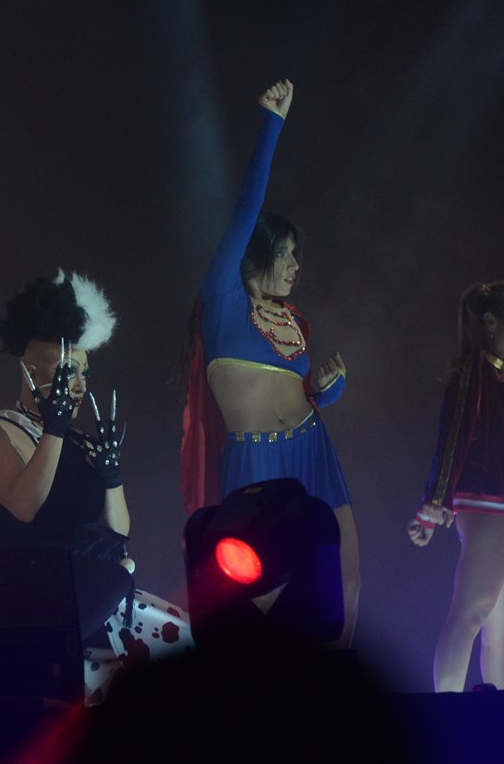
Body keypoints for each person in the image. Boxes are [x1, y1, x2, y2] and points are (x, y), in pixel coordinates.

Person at [179, 79, 360, 645]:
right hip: (255, 462)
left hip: (313, 448)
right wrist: (272, 124)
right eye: (285, 253)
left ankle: (333, 688)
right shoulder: (223, 301)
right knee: (255, 599)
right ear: (255, 251)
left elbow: (303, 397)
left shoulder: (292, 321)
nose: (295, 265)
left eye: (297, 256)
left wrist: (327, 392)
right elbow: (246, 207)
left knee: (343, 581)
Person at [0, 271, 190, 704]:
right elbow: (26, 507)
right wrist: (52, 430)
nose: (78, 385)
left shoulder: (83, 442)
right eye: (67, 371)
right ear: (31, 372)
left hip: (94, 599)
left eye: (84, 373)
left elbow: (119, 531)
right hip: (29, 605)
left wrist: (112, 478)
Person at [408, 281, 504, 692]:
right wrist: (434, 503)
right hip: (488, 502)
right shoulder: (474, 375)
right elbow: (453, 435)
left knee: (500, 633)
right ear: (491, 322)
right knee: (471, 613)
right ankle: (448, 712)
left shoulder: (493, 380)